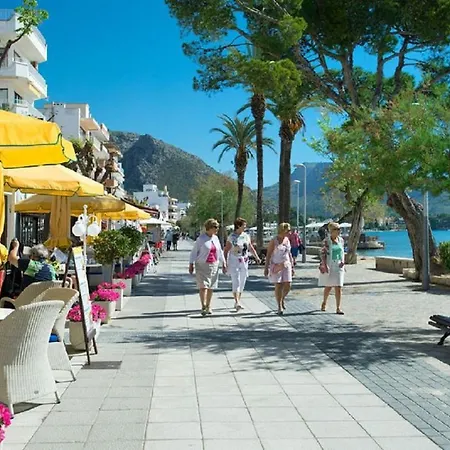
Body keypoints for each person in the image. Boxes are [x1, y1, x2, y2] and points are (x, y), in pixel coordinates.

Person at [189, 219, 226, 316]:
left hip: (214, 265)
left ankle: (209, 306)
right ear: (209, 228)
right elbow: (194, 252)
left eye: (218, 227)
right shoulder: (201, 239)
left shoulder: (216, 238)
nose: (217, 229)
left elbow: (220, 251)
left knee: (211, 286)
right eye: (215, 227)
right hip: (202, 265)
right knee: (203, 286)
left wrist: (224, 263)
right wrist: (191, 264)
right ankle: (203, 305)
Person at [223, 217, 261, 311]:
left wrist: (256, 257)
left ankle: (238, 300)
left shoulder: (246, 236)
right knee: (236, 281)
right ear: (238, 226)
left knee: (242, 282)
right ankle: (237, 302)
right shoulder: (232, 237)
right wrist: (225, 263)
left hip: (244, 261)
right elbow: (226, 250)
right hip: (234, 261)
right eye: (244, 225)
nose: (245, 227)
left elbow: (250, 247)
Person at [264, 223, 294, 315]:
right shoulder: (274, 241)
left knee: (288, 284)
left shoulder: (287, 240)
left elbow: (289, 253)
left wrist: (292, 265)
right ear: (282, 230)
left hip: (286, 264)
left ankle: (282, 298)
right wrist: (266, 267)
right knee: (279, 285)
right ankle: (279, 306)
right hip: (276, 265)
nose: (289, 232)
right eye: (288, 230)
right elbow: (268, 254)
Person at [319, 222, 345, 315]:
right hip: (330, 264)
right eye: (336, 229)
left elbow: (342, 252)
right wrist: (324, 265)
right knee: (329, 286)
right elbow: (323, 254)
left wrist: (343, 261)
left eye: (339, 229)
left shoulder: (341, 240)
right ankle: (324, 302)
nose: (338, 231)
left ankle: (338, 307)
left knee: (339, 287)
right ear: (331, 231)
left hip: (339, 265)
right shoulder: (327, 241)